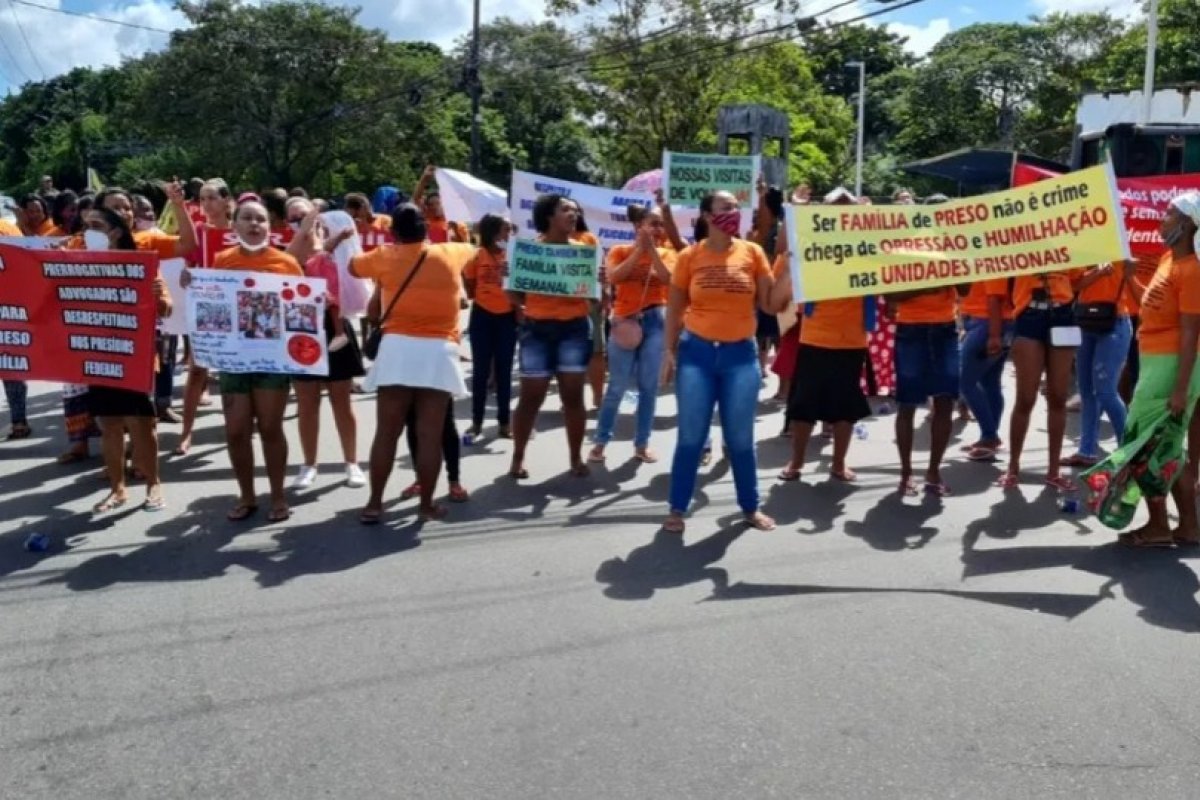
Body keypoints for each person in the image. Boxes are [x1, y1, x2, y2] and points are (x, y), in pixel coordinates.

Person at [662, 190, 787, 533]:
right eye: (724, 207)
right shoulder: (689, 256)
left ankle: (750, 506)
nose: (733, 212)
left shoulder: (753, 252)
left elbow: (771, 304)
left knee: (740, 438)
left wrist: (792, 264)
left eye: (735, 207)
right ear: (706, 215)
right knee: (691, 437)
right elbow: (674, 307)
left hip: (740, 357)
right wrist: (668, 352)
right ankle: (677, 507)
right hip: (696, 356)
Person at [1085, 195, 1200, 546]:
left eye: (1170, 214)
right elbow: (1147, 306)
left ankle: (1159, 527)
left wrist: (1180, 388)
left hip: (1172, 368)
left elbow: (1191, 332)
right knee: (1167, 448)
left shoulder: (1193, 269)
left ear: (1188, 225)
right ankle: (1188, 528)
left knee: (1146, 446)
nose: (1162, 220)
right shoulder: (1169, 259)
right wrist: (1130, 276)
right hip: (1156, 362)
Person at [350, 204, 475, 523]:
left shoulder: (383, 256)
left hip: (396, 351)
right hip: (439, 352)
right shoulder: (450, 252)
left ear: (394, 232)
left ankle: (374, 504)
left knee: (386, 432)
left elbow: (352, 267)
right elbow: (472, 247)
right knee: (430, 435)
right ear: (425, 229)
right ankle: (426, 505)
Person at [188, 200, 304, 522]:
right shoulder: (221, 261)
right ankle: (247, 495)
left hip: (271, 359)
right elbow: (209, 305)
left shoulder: (286, 263)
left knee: (270, 427)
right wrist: (191, 286)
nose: (254, 224)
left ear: (270, 226)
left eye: (260, 219)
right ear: (234, 225)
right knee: (236, 431)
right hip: (234, 360)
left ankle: (278, 497)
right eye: (247, 218)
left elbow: (300, 309)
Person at [83, 206, 173, 513]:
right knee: (109, 424)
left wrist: (159, 295)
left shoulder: (142, 263)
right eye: (86, 226)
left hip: (135, 356)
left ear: (116, 232)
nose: (88, 231)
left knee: (142, 424)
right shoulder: (79, 266)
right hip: (99, 353)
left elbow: (166, 310)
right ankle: (117, 490)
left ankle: (153, 484)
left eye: (96, 225)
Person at [507, 194, 595, 479]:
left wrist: (600, 283)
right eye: (566, 209)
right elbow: (512, 293)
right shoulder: (528, 251)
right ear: (548, 216)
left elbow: (595, 301)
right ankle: (517, 458)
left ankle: (575, 458)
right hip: (537, 331)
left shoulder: (586, 250)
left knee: (573, 396)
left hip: (574, 330)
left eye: (575, 209)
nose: (573, 214)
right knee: (531, 397)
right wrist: (511, 285)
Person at [589, 203, 675, 464]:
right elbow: (614, 277)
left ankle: (642, 444)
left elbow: (669, 278)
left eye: (661, 224)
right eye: (653, 223)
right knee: (616, 386)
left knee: (648, 388)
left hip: (656, 320)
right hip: (625, 322)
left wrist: (654, 253)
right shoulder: (619, 250)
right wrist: (639, 251)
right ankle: (600, 442)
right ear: (639, 226)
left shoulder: (669, 253)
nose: (658, 229)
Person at [289, 206, 368, 490]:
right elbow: (294, 258)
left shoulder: (334, 251)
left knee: (342, 402)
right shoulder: (286, 256)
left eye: (309, 217)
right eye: (296, 218)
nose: (306, 223)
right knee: (307, 404)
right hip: (302, 331)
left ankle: (352, 462)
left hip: (336, 329)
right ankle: (309, 464)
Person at [998, 268, 1083, 491]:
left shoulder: (1073, 239)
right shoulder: (1020, 236)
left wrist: (1102, 273)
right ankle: (1013, 467)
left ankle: (1054, 471)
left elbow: (1075, 282)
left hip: (1063, 315)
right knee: (1025, 398)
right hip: (1029, 316)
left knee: (1058, 397)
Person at [886, 284, 963, 496]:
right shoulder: (898, 250)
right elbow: (890, 293)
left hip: (946, 329)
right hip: (910, 329)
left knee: (945, 402)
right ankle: (906, 474)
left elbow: (966, 289)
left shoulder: (952, 249)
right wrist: (925, 287)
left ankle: (934, 473)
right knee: (907, 404)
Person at [176, 178, 232, 455]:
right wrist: (187, 274)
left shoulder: (241, 230)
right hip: (208, 309)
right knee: (197, 371)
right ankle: (186, 433)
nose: (207, 204)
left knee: (235, 373)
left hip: (237, 311)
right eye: (202, 199)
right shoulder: (199, 231)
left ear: (226, 200)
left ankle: (239, 427)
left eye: (212, 198)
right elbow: (188, 259)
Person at [1064, 262, 1134, 467]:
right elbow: (1074, 286)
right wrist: (1098, 272)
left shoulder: (1123, 248)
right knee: (1086, 391)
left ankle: (1130, 449)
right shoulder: (1083, 251)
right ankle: (1086, 451)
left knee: (1105, 391)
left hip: (1115, 322)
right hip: (1086, 322)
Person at [463, 213, 517, 440]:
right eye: (506, 229)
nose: (509, 233)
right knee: (480, 372)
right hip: (482, 316)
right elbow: (467, 280)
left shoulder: (513, 256)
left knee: (504, 372)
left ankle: (504, 423)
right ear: (494, 232)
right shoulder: (477, 256)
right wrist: (478, 294)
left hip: (507, 317)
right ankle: (476, 422)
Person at [959, 278, 1013, 461]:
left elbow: (995, 298)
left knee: (965, 383)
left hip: (987, 324)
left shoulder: (991, 258)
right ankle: (988, 437)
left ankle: (989, 436)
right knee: (990, 383)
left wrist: (994, 335)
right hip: (986, 323)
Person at [750, 180, 784, 381]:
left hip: (767, 282)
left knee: (766, 328)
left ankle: (764, 367)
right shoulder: (780, 225)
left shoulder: (771, 226)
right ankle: (768, 369)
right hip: (773, 282)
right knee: (772, 329)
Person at [412, 166, 468, 243]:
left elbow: (464, 247)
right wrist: (424, 179)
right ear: (427, 208)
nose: (435, 207)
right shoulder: (424, 223)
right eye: (431, 204)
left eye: (438, 203)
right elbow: (416, 199)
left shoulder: (457, 224)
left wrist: (455, 230)